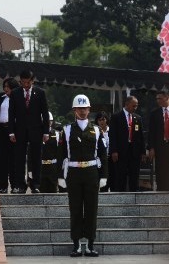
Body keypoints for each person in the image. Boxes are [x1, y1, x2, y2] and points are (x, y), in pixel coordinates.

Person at [58, 94, 108, 257]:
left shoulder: (96, 130)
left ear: (89, 109)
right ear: (74, 110)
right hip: (73, 173)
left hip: (91, 173)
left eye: (85, 108)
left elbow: (102, 154)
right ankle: (76, 245)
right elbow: (62, 154)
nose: (82, 111)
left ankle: (91, 245)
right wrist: (60, 176)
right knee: (76, 209)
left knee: (92, 209)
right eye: (79, 108)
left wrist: (103, 176)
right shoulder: (66, 130)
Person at [8, 70, 49, 193]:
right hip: (19, 130)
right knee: (19, 158)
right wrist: (11, 132)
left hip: (36, 130)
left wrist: (46, 132)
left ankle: (35, 184)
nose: (25, 85)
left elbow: (45, 113)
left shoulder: (40, 93)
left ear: (32, 81)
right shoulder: (15, 93)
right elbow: (11, 114)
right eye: (23, 82)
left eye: (28, 82)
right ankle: (21, 185)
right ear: (20, 81)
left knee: (36, 158)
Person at [109, 96, 146, 192]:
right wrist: (113, 150)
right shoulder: (116, 117)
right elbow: (112, 135)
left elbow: (141, 136)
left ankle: (135, 195)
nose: (135, 108)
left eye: (136, 106)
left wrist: (143, 152)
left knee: (134, 175)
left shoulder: (138, 118)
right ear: (127, 104)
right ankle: (120, 196)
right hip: (121, 152)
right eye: (133, 105)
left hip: (134, 152)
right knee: (121, 175)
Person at [148, 91, 169, 191]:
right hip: (160, 146)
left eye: (160, 98)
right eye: (157, 99)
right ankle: (161, 190)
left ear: (166, 97)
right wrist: (151, 147)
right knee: (161, 169)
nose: (158, 101)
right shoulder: (154, 113)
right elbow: (151, 132)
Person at [39, 112, 62, 193]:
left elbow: (60, 153)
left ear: (52, 122)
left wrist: (60, 171)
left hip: (53, 167)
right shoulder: (37, 134)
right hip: (40, 167)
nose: (47, 123)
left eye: (49, 121)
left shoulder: (57, 134)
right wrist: (30, 172)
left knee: (53, 191)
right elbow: (31, 153)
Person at [94, 111, 113, 192]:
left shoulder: (112, 130)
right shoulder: (94, 131)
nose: (101, 122)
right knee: (102, 183)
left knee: (112, 180)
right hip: (100, 160)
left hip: (111, 159)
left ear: (106, 120)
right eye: (99, 120)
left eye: (103, 119)